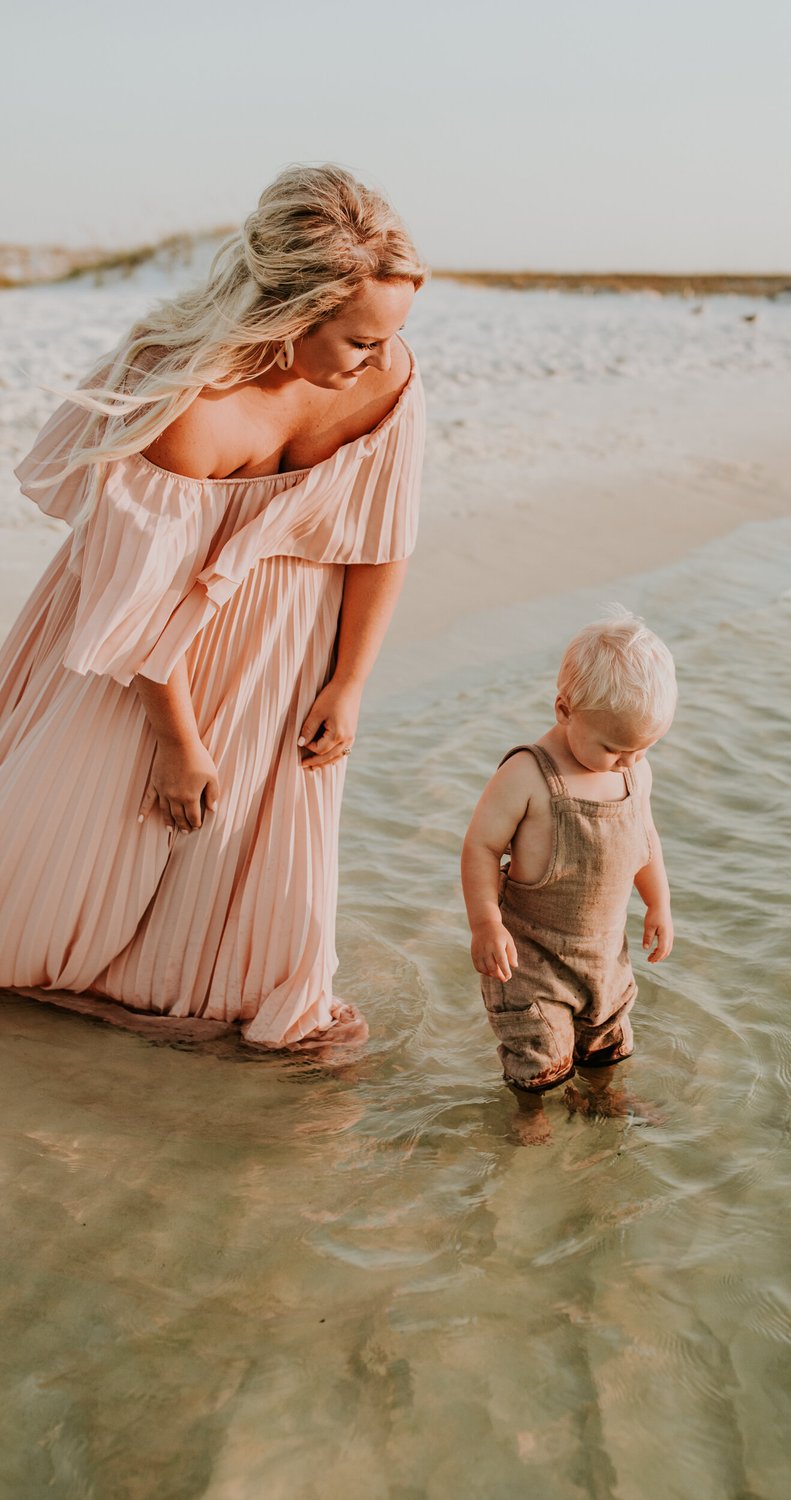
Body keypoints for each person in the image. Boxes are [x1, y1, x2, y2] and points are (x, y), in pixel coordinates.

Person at [0, 164, 426, 1052]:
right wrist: (177, 740)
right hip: (133, 649)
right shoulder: (184, 398)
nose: (383, 360)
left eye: (391, 336)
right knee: (70, 851)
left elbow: (380, 538)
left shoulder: (388, 380)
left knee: (261, 877)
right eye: (358, 340)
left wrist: (348, 681)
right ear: (287, 316)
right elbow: (140, 598)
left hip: (290, 642)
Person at [461, 608, 677, 1142]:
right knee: (538, 1060)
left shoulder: (632, 772)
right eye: (613, 747)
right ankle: (528, 1116)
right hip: (531, 960)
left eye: (641, 749)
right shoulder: (529, 775)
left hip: (603, 956)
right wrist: (486, 924)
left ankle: (603, 1095)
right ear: (565, 710)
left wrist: (659, 904)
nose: (627, 761)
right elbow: (481, 848)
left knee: (606, 1046)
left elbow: (645, 841)